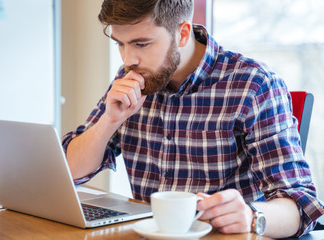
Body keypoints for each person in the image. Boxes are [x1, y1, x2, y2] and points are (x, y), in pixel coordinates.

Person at [62, 0, 324, 238]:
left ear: (183, 33)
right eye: (120, 43)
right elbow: (69, 172)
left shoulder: (253, 84)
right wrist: (110, 120)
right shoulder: (129, 78)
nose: (129, 59)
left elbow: (301, 202)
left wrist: (252, 215)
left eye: (141, 44)